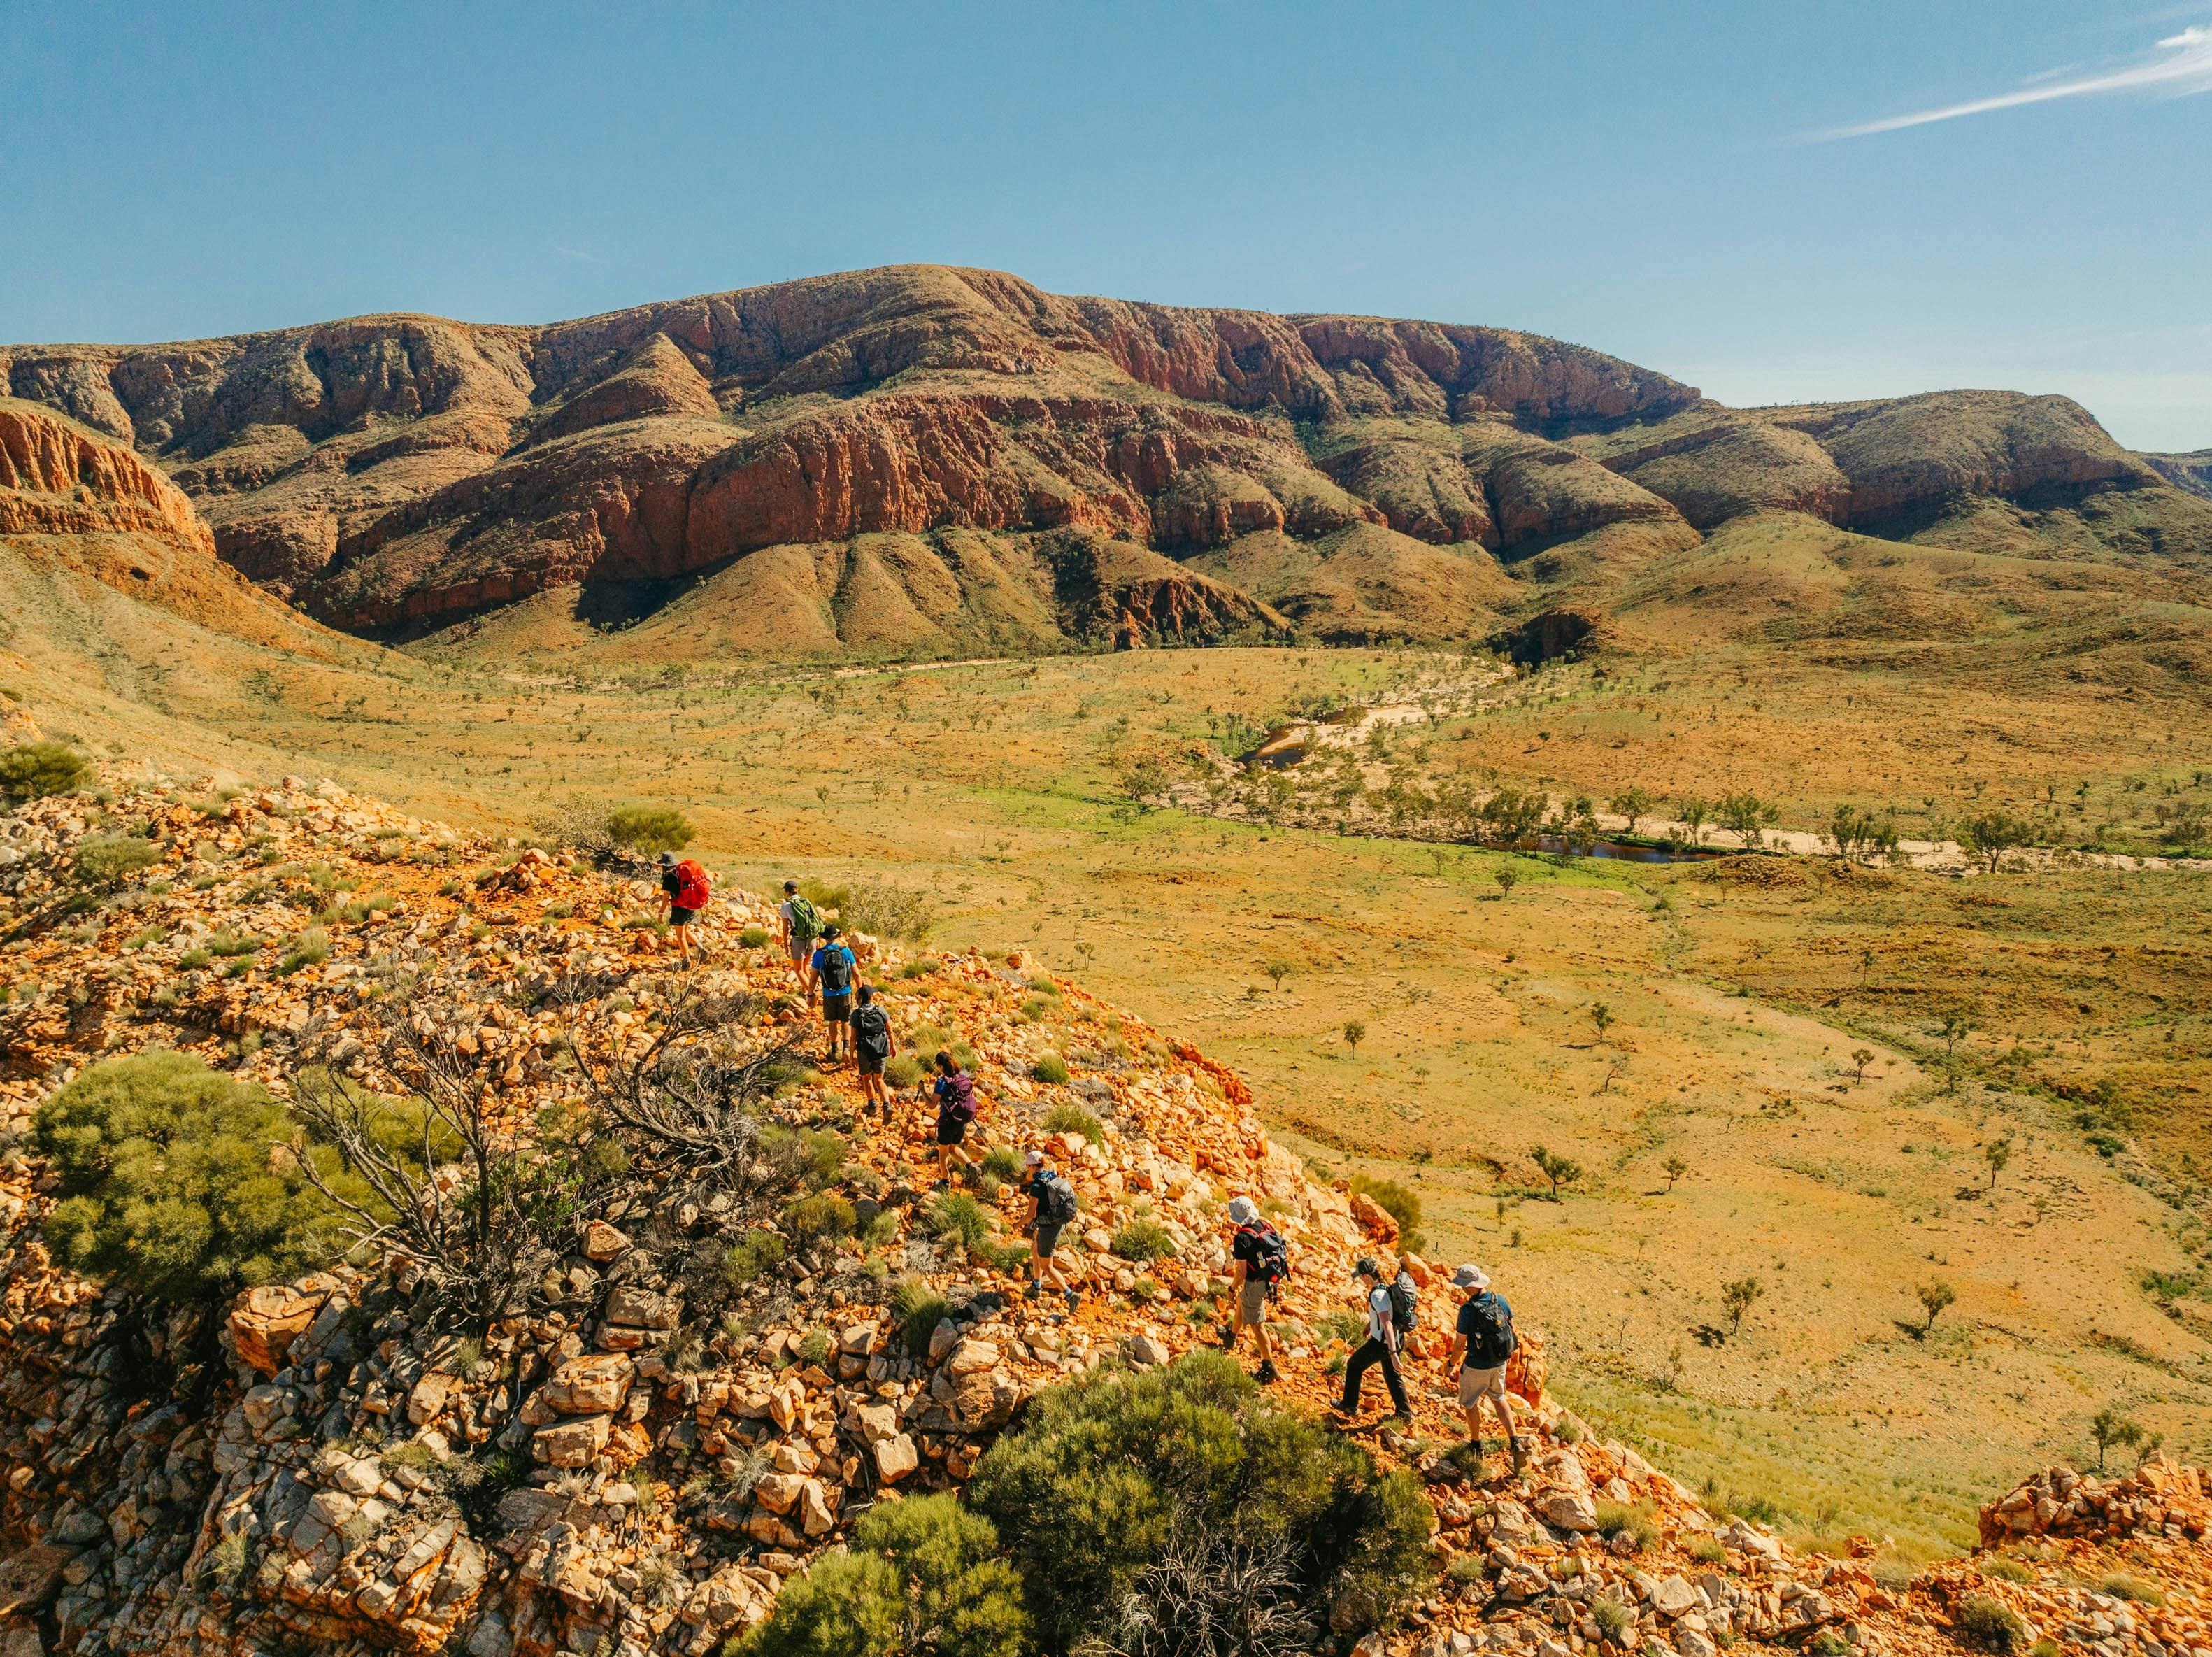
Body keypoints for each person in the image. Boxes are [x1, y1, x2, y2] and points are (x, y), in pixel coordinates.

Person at [1443, 1263, 1525, 1470]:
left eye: (1463, 1285)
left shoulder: (1468, 1310)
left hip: (1477, 1365)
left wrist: (1451, 1364)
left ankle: (1476, 1445)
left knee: (1470, 1404)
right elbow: (1511, 1329)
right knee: (1499, 1398)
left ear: (1470, 1286)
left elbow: (1460, 1345)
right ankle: (1515, 1442)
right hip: (1500, 1363)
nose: (1462, 1289)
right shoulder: (1500, 1300)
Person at [1334, 1256, 1411, 1423]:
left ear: (1367, 1276)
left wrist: (1392, 1353)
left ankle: (1349, 1405)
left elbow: (1387, 1323)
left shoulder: (1377, 1295)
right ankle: (1404, 1414)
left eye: (1361, 1277)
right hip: (1397, 1338)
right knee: (1392, 1375)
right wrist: (1370, 1325)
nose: (1361, 1280)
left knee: (1354, 1365)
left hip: (1383, 1344)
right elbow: (1386, 1315)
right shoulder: (1387, 1287)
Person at [1225, 1195, 1284, 1384]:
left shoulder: (1242, 1237)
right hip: (1271, 1279)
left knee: (1257, 1324)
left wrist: (1231, 1288)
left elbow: (1241, 1272)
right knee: (1243, 1301)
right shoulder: (1264, 1225)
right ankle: (1231, 1336)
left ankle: (1269, 1367)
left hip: (1256, 1282)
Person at [1021, 1148, 1081, 1307]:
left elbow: (1030, 1215)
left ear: (1033, 1167)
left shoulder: (1037, 1183)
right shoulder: (1050, 1173)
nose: (1027, 1170)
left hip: (1049, 1228)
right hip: (1057, 1221)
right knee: (1035, 1247)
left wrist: (1016, 1224)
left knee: (1046, 1266)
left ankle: (1070, 1295)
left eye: (1027, 1167)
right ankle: (1036, 1286)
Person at [806, 923, 859, 1065]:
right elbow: (857, 974)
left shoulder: (819, 954)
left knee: (833, 1022)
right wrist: (860, 991)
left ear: (824, 938)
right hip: (845, 992)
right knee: (846, 1021)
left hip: (828, 993)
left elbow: (813, 978)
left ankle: (835, 1050)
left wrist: (810, 995)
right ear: (837, 937)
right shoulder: (846, 952)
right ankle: (846, 1049)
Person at [930, 1050, 983, 1187]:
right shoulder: (963, 1077)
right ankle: (972, 1168)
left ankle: (945, 1182)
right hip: (962, 1121)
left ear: (940, 1066)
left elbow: (931, 1105)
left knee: (943, 1154)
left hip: (947, 1122)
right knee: (953, 1148)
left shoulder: (942, 1082)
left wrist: (922, 1090)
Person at [850, 983, 897, 1115]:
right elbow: (890, 1030)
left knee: (866, 1078)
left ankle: (872, 1106)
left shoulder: (856, 1015)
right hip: (880, 1049)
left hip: (864, 1051)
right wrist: (893, 1046)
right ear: (870, 997)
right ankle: (887, 1105)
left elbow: (853, 1037)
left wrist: (851, 1054)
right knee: (879, 1079)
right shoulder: (880, 1010)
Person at [658, 851, 711, 962]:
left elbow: (666, 898)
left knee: (680, 936)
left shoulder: (669, 877)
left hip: (680, 908)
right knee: (685, 931)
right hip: (691, 906)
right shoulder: (681, 872)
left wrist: (661, 913)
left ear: (664, 865)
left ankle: (686, 961)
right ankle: (701, 949)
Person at [778, 880, 822, 981]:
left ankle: (811, 994)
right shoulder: (806, 902)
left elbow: (785, 928)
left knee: (798, 970)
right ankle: (809, 990)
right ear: (797, 890)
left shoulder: (786, 906)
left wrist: (785, 945)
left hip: (798, 940)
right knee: (805, 965)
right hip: (812, 937)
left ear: (787, 892)